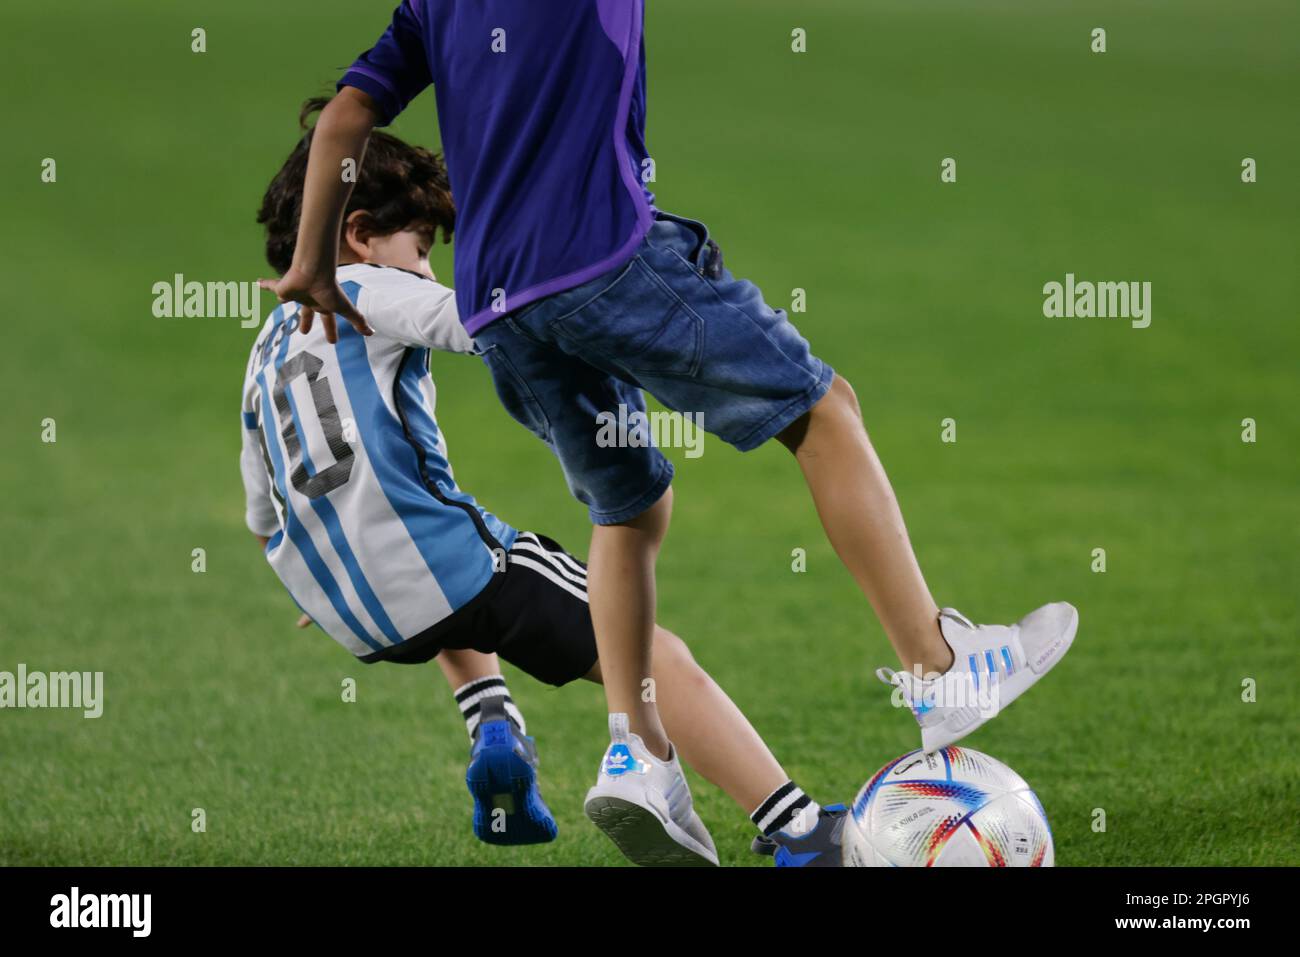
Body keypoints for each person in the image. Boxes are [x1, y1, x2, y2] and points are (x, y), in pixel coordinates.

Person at [261, 2, 1077, 864]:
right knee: (821, 410)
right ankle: (938, 661)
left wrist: (309, 261)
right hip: (605, 259)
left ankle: (639, 749)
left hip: (503, 308)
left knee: (627, 505)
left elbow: (348, 113)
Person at [243, 103, 843, 866]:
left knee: (445, 566)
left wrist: (321, 574)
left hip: (349, 606)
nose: (430, 266)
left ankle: (492, 717)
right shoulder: (361, 287)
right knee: (644, 648)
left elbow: (263, 506)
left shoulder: (264, 349)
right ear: (357, 233)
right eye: (422, 248)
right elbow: (472, 321)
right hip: (442, 569)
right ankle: (796, 828)